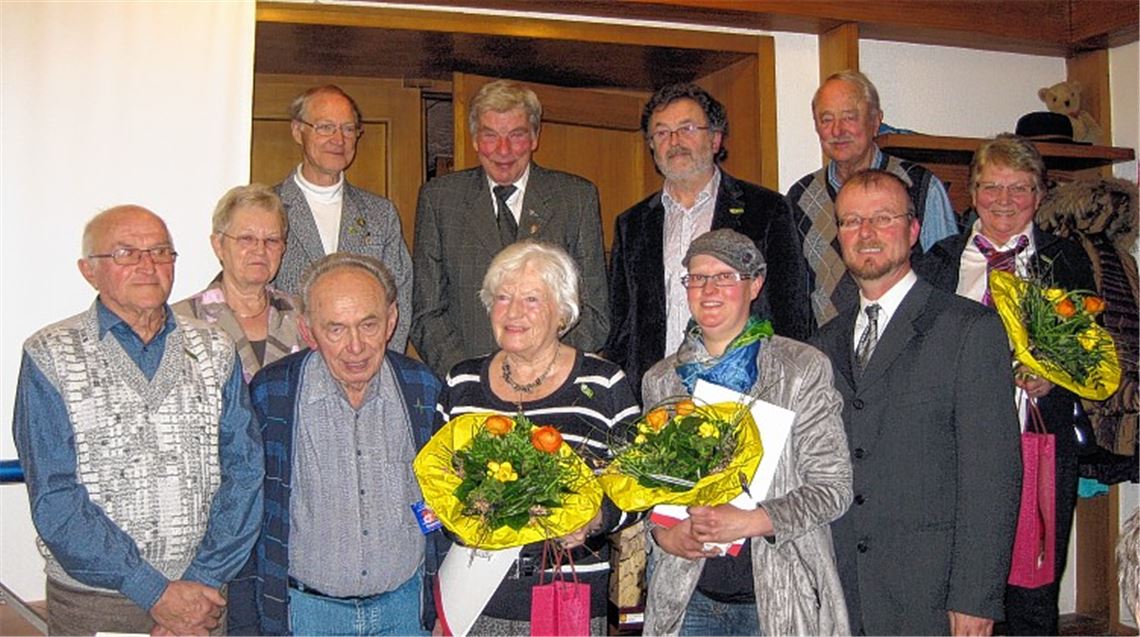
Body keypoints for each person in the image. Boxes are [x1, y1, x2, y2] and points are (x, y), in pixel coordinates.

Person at [12, 205, 263, 635]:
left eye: (161, 251)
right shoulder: (50, 354)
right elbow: (55, 499)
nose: (148, 265)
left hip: (202, 600)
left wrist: (200, 583)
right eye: (126, 253)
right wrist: (154, 591)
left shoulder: (216, 349)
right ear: (88, 270)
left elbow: (244, 473)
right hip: (97, 603)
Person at [815, 170, 1022, 635]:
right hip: (845, 590)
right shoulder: (824, 343)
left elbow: (992, 476)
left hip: (932, 593)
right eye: (851, 221)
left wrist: (976, 596)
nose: (865, 234)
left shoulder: (969, 329)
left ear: (912, 232)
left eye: (882, 219)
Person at [916, 134, 1096, 636]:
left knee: (1031, 595)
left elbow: (1089, 350)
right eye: (991, 186)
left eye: (1019, 188)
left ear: (1039, 196)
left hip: (1035, 447)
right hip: (951, 455)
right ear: (972, 193)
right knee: (955, 588)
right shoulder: (938, 261)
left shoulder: (1066, 260)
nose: (1004, 200)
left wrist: (1054, 377)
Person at [641, 229, 852, 636]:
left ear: (755, 285)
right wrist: (664, 535)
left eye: (725, 277)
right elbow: (650, 492)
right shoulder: (662, 380)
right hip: (688, 599)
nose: (709, 289)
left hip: (778, 598)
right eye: (698, 278)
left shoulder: (800, 369)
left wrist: (753, 521)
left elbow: (833, 488)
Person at [433, 240, 640, 635]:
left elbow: (636, 488)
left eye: (531, 299)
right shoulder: (461, 383)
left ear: (563, 311)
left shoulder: (604, 383)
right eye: (502, 297)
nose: (512, 312)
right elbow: (436, 490)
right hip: (473, 597)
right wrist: (463, 517)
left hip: (564, 595)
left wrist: (594, 518)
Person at [230, 253, 441, 636]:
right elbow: (246, 513)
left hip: (405, 612)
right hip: (308, 615)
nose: (355, 346)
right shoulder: (271, 394)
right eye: (336, 329)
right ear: (308, 330)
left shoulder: (423, 388)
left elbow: (446, 503)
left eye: (369, 324)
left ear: (392, 320)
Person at [607, 82, 812, 395]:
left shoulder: (766, 209)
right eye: (661, 133)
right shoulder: (632, 223)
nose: (674, 142)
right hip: (656, 397)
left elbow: (791, 313)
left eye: (687, 128)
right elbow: (622, 327)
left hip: (746, 392)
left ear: (715, 139)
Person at [412, 80, 609, 377]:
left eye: (516, 135)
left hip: (556, 387)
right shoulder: (439, 199)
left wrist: (544, 373)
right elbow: (427, 315)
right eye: (490, 136)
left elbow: (594, 313)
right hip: (468, 388)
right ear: (475, 140)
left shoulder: (575, 198)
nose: (503, 150)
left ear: (534, 137)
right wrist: (471, 378)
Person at [788, 69, 959, 326]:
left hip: (909, 348)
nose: (837, 130)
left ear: (876, 121)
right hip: (829, 355)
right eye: (826, 119)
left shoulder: (921, 187)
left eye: (849, 117)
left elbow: (947, 279)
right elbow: (795, 295)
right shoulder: (799, 198)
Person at [274, 84, 412, 351]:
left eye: (348, 129)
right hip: (289, 367)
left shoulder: (380, 214)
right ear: (297, 131)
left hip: (366, 364)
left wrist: (380, 367)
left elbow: (400, 300)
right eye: (325, 127)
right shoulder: (270, 210)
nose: (338, 139)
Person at [174, 184, 305, 382]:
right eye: (247, 238)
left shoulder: (303, 314)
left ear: (283, 249)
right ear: (218, 245)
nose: (260, 250)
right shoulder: (180, 321)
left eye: (271, 240)